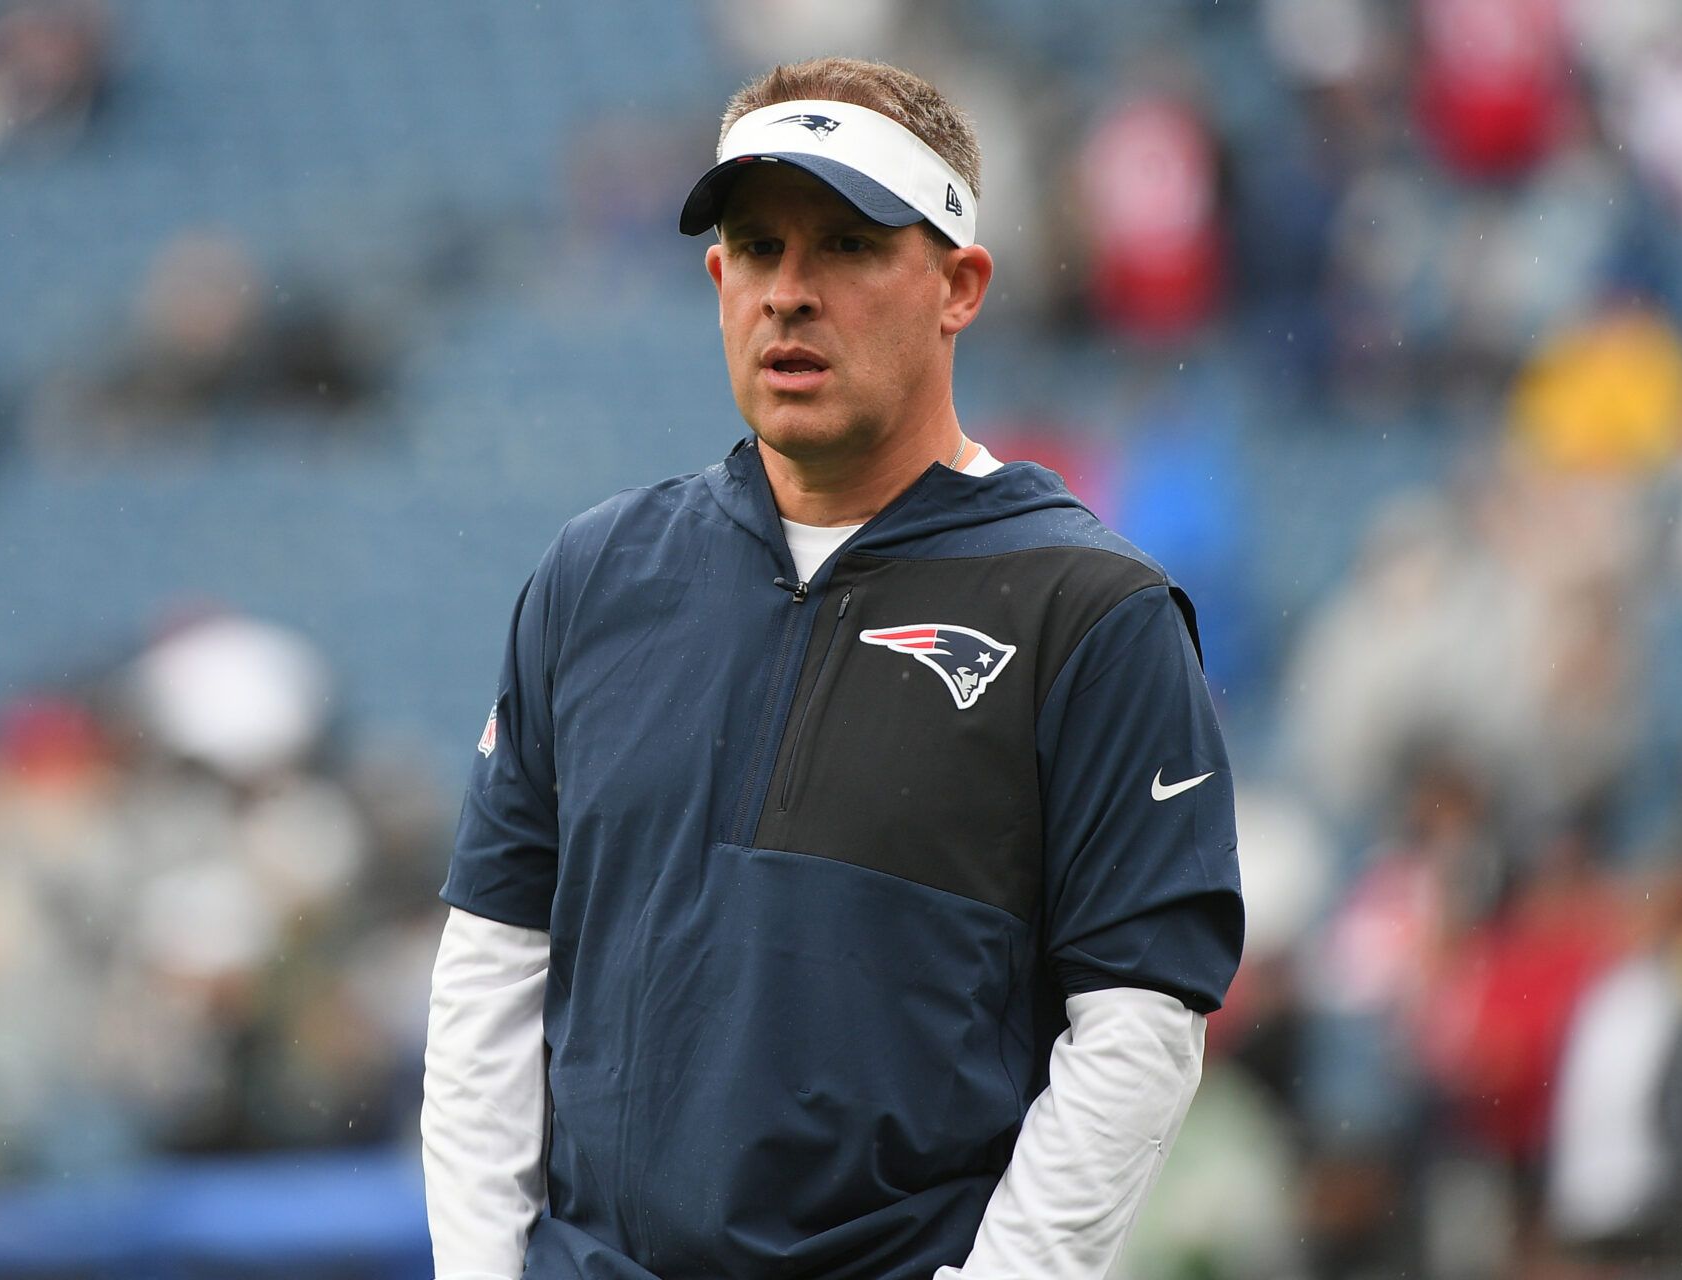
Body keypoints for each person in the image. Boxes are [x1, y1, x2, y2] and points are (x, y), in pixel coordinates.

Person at [422, 56, 1244, 1280]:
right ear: (718, 280)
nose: (790, 293)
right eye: (758, 247)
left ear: (959, 285)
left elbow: (1136, 1023)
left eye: (849, 246)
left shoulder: (1089, 610)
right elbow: (494, 964)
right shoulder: (594, 575)